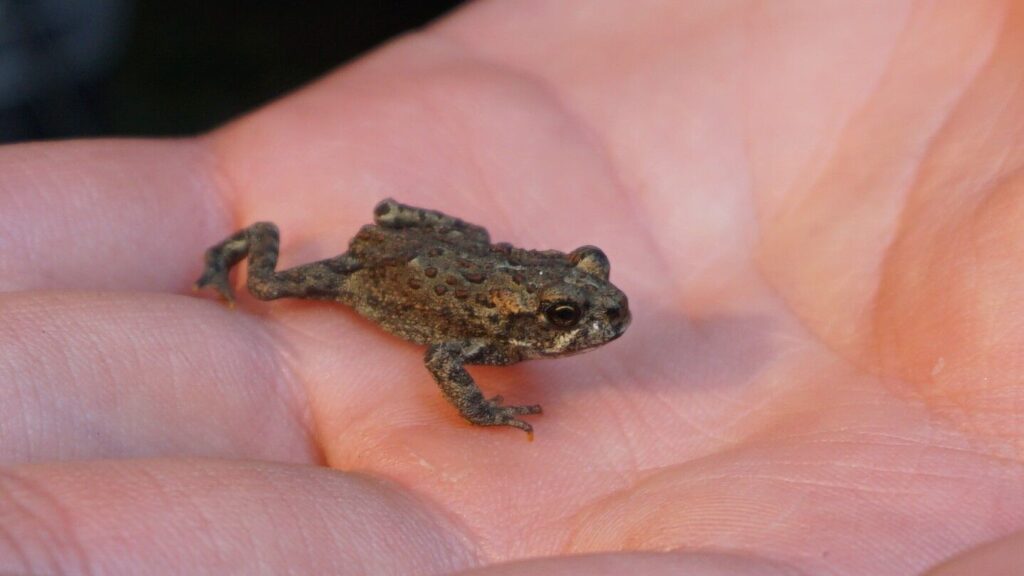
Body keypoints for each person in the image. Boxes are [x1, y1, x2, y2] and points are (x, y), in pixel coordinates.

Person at [0, 1, 1021, 574]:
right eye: (574, 317)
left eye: (586, 296)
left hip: (458, 261)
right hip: (379, 277)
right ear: (536, 321)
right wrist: (482, 410)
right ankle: (240, 246)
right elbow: (446, 350)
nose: (600, 320)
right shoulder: (490, 336)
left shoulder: (535, 304)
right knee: (278, 284)